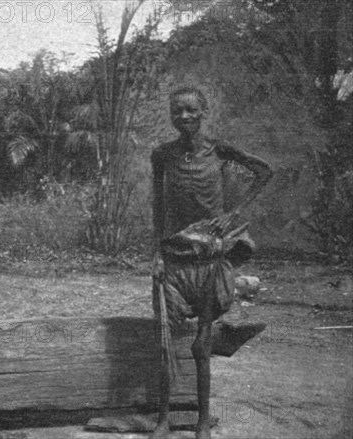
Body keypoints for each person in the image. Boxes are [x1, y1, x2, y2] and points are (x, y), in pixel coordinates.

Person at [149, 87, 273, 439]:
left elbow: (265, 171)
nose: (184, 117)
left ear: (203, 111)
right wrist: (157, 254)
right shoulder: (162, 155)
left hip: (210, 260)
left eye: (191, 110)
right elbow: (158, 207)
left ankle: (202, 423)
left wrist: (233, 213)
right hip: (174, 260)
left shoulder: (219, 151)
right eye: (177, 112)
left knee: (202, 345)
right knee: (165, 342)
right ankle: (163, 420)